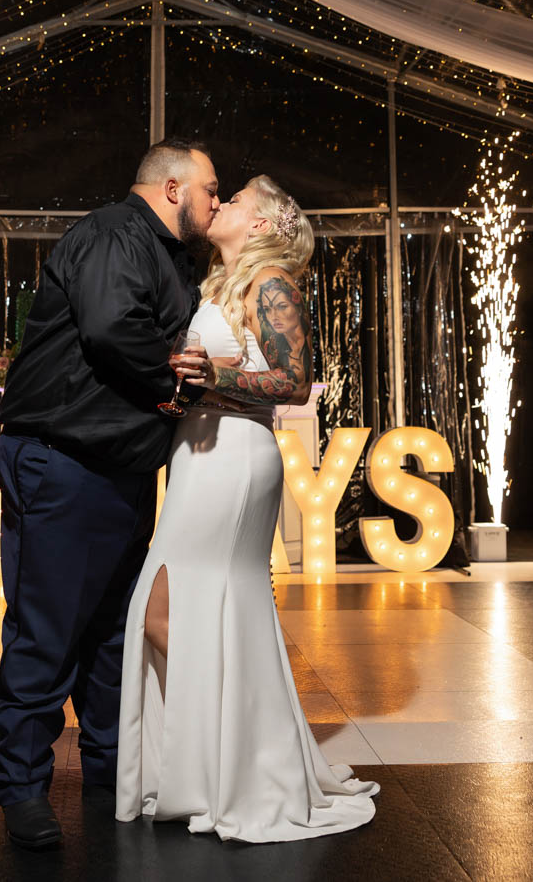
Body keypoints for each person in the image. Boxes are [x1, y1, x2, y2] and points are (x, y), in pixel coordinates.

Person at [114, 175, 380, 842]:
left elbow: (292, 380)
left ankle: (243, 754)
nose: (223, 201)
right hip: (201, 451)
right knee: (174, 610)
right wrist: (177, 391)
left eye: (236, 199)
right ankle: (224, 754)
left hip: (234, 462)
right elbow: (206, 382)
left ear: (261, 225)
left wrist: (216, 377)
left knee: (164, 607)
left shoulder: (273, 284)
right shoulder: (218, 285)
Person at [0, 138, 230, 849]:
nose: (216, 201)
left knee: (110, 638)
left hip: (116, 471)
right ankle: (22, 785)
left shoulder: (167, 256)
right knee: (48, 628)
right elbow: (108, 327)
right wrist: (175, 380)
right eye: (211, 188)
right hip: (66, 463)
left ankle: (107, 769)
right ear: (172, 186)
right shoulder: (114, 234)